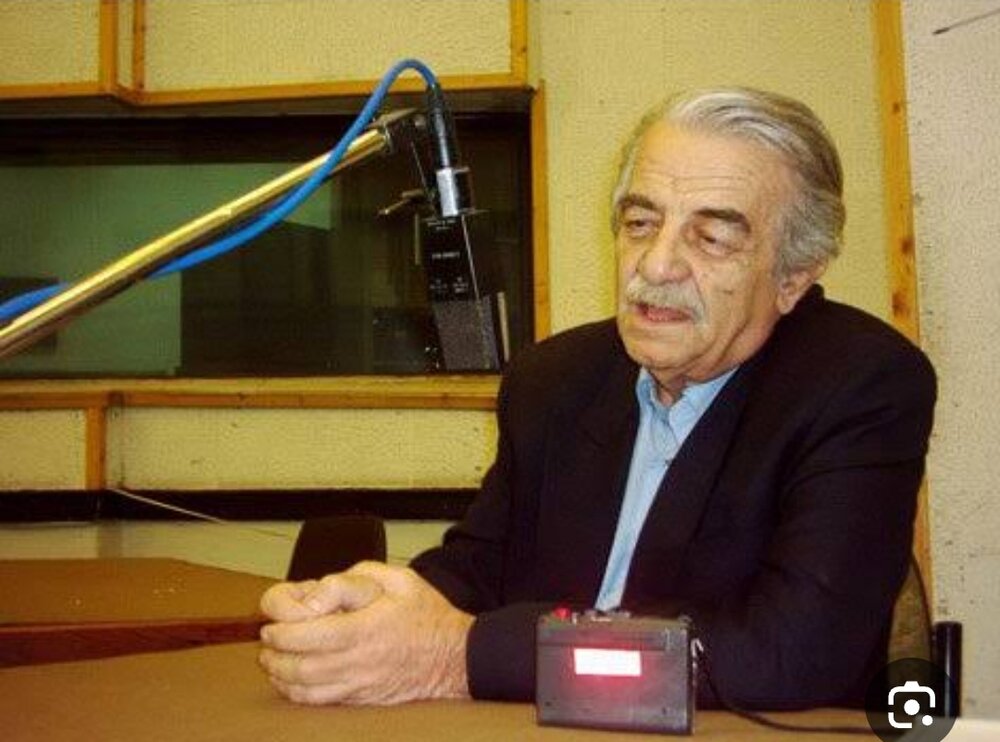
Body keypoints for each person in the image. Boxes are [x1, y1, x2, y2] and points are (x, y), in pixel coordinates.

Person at [257, 87, 936, 709]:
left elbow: (790, 653)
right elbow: (481, 567)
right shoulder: (553, 378)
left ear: (794, 275)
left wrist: (457, 655)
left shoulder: (861, 385)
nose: (656, 264)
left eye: (710, 238)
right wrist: (372, 607)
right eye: (640, 223)